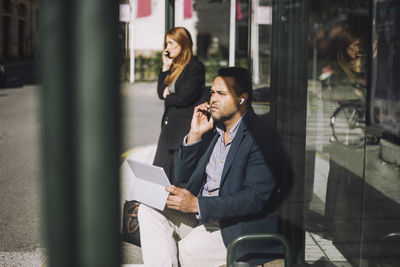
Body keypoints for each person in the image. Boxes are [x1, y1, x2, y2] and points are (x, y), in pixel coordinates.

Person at [138, 67, 288, 266]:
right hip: (202, 217)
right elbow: (182, 176)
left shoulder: (262, 137)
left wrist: (197, 205)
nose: (213, 99)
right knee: (148, 209)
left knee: (188, 250)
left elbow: (255, 197)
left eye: (221, 93)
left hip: (234, 226)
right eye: (212, 93)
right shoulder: (214, 129)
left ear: (242, 98)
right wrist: (194, 136)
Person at [153, 27, 206, 183]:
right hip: (168, 129)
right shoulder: (174, 67)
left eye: (171, 43)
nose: (167, 48)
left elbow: (184, 98)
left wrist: (168, 96)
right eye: (166, 44)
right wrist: (165, 67)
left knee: (177, 178)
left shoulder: (195, 67)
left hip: (182, 130)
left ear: (183, 43)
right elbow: (160, 92)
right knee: (159, 176)